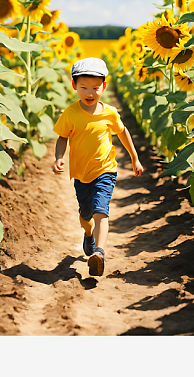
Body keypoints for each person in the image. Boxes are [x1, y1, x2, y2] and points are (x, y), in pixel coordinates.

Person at [53, 57, 143, 276]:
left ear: (104, 86)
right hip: (81, 175)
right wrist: (58, 157)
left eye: (95, 87)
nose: (90, 93)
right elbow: (62, 137)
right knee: (86, 216)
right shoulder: (70, 113)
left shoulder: (109, 112)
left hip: (105, 170)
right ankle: (89, 236)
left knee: (101, 211)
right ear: (74, 86)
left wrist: (134, 157)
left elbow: (122, 132)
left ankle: (99, 253)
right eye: (84, 87)